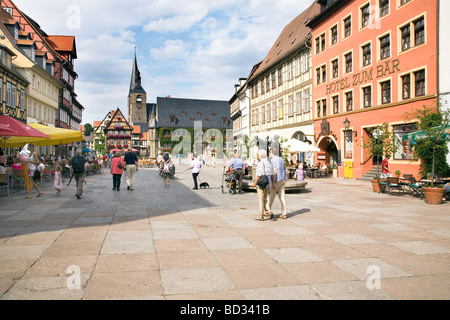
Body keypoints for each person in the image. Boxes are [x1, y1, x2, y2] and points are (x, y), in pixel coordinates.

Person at [252, 149, 272, 221]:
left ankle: (261, 216)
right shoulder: (268, 163)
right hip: (267, 183)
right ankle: (269, 211)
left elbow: (259, 175)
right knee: (265, 198)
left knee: (260, 200)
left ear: (260, 156)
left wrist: (255, 182)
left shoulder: (261, 163)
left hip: (261, 183)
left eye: (257, 155)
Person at [268, 147, 287, 219]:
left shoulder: (273, 160)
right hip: (282, 180)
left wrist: (273, 182)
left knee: (271, 197)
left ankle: (268, 210)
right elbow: (284, 169)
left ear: (271, 153)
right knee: (282, 197)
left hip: (276, 180)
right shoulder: (281, 159)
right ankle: (284, 212)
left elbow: (274, 171)